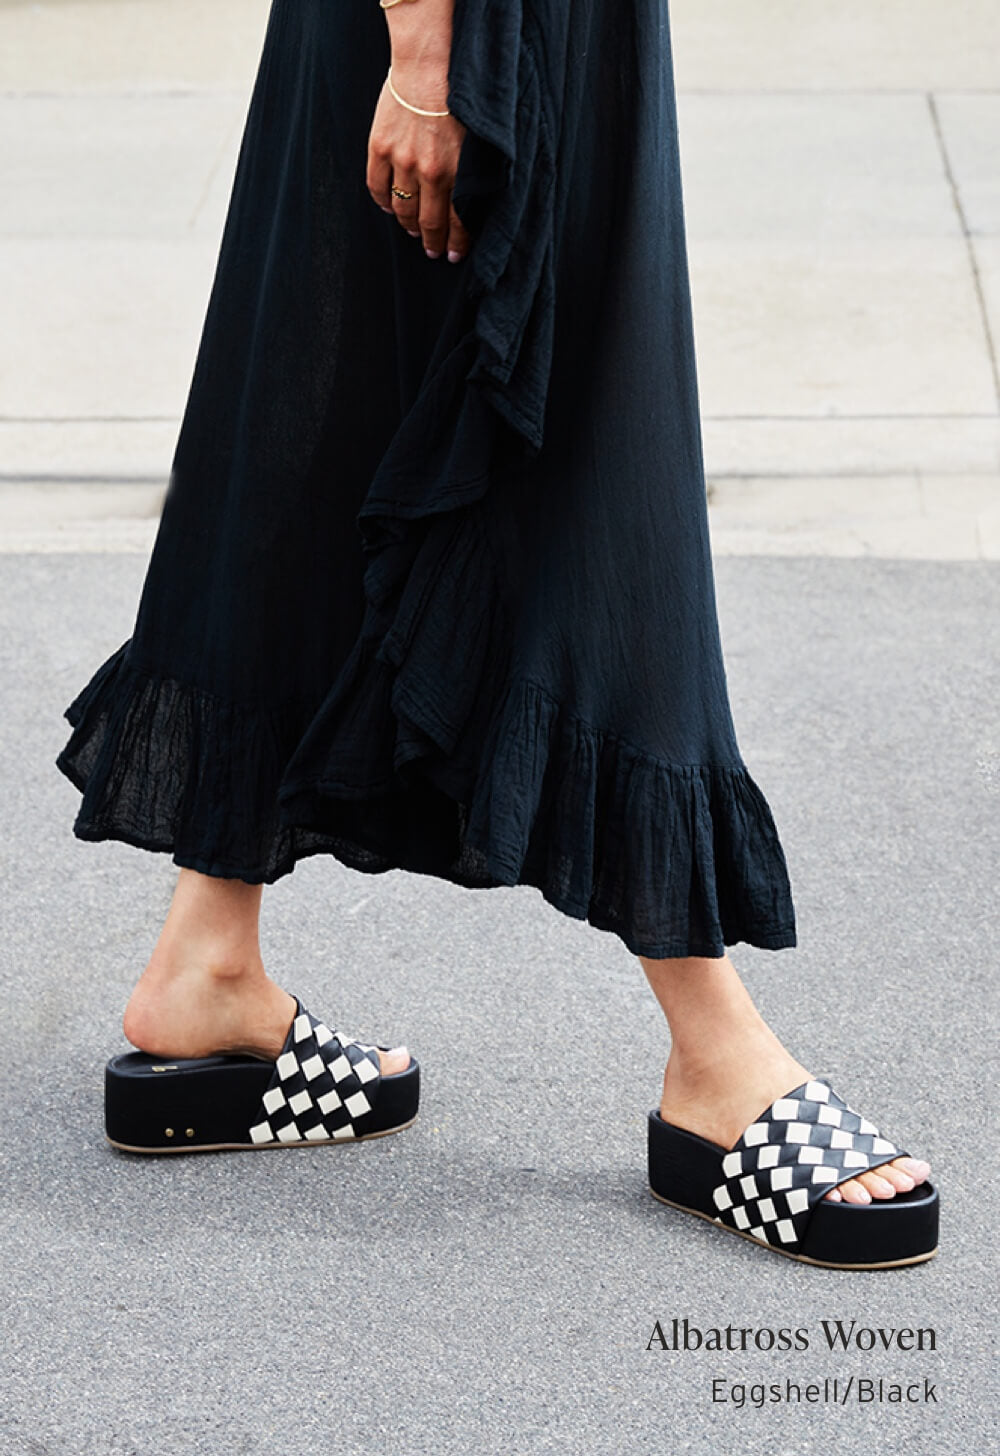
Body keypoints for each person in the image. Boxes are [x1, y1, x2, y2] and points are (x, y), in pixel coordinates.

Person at [55, 0, 936, 1266]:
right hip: (488, 28)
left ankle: (207, 962)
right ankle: (716, 1053)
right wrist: (427, 45)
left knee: (323, 419)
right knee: (593, 476)